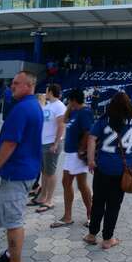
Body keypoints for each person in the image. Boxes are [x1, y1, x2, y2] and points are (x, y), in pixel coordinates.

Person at [0, 71, 43, 262]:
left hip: (17, 172)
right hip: (24, 170)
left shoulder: (21, 109)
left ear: (28, 86)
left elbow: (10, 143)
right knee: (12, 218)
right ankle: (10, 255)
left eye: (16, 84)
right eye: (12, 84)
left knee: (13, 221)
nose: (12, 87)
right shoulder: (33, 105)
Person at [83, 92, 132, 249]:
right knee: (113, 205)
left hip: (102, 167)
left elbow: (91, 138)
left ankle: (92, 235)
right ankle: (107, 239)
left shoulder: (104, 120)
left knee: (98, 201)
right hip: (123, 170)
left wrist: (91, 160)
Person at [50, 89, 93, 229]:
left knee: (74, 183)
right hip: (71, 153)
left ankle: (86, 215)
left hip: (77, 154)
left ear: (74, 100)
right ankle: (76, 215)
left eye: (70, 100)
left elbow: (88, 131)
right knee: (73, 183)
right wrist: (70, 106)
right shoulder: (74, 111)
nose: (68, 103)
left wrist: (81, 148)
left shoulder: (85, 112)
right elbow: (65, 120)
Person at [31, 84, 65, 212]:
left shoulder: (59, 106)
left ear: (50, 92)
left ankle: (50, 200)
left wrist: (56, 143)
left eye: (46, 91)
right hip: (43, 143)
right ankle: (42, 196)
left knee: (50, 172)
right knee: (45, 172)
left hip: (51, 143)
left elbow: (61, 126)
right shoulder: (48, 105)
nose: (45, 94)